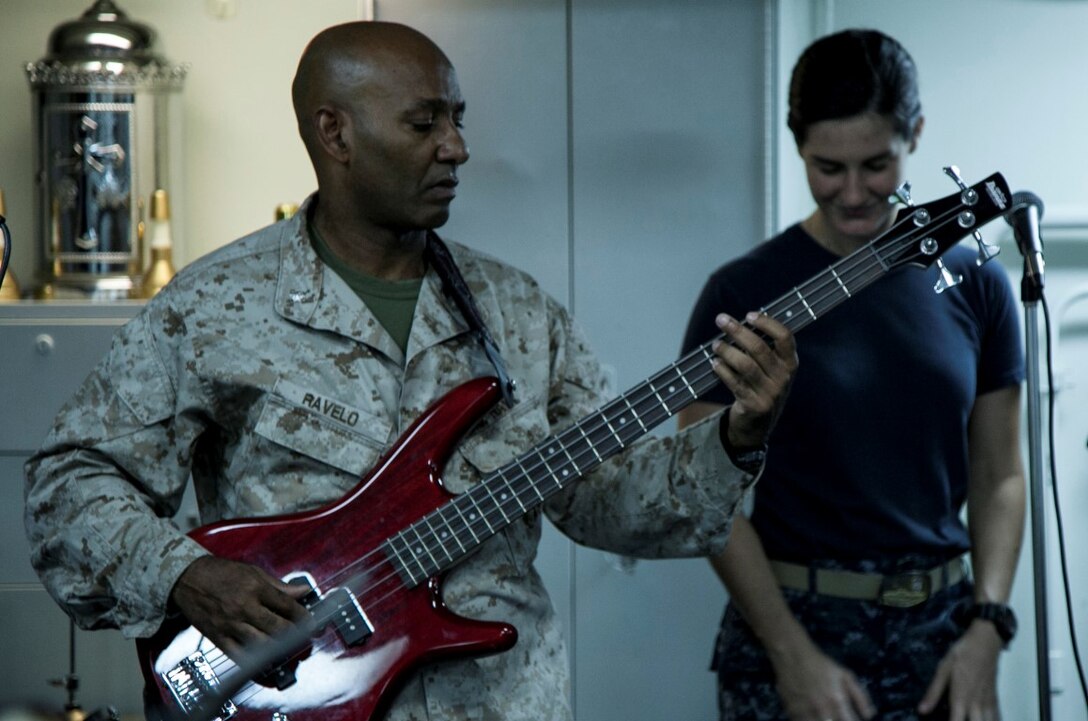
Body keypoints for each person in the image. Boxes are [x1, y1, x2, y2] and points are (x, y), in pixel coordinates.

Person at [24, 21, 797, 721]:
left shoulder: (519, 313)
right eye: (425, 123)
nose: (456, 147)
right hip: (300, 698)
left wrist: (737, 435)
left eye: (458, 119)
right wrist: (188, 575)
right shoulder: (213, 307)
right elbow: (69, 484)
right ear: (336, 132)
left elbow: (612, 502)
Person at [678, 29, 1025, 721]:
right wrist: (790, 653)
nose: (856, 192)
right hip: (792, 629)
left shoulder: (977, 282)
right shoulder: (742, 290)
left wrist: (988, 625)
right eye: (828, 167)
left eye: (877, 164)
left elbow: (1000, 476)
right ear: (798, 145)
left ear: (914, 134)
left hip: (942, 634)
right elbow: (700, 492)